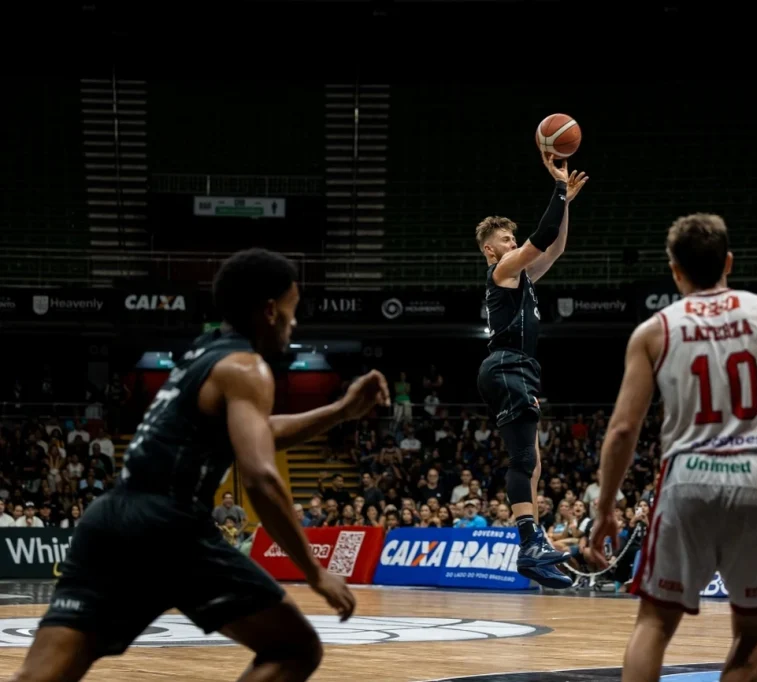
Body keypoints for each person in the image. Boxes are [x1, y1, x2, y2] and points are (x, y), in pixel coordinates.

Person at [12, 248, 390, 682]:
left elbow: (257, 430)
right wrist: (313, 570)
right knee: (294, 648)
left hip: (110, 522)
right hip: (169, 527)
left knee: (40, 677)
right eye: (292, 311)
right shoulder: (249, 368)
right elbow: (261, 476)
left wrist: (340, 411)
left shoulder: (205, 354)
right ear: (270, 311)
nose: (294, 323)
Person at [589, 213, 757, 682]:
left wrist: (605, 505)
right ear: (729, 261)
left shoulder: (653, 330)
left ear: (675, 271)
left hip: (686, 476)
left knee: (653, 624)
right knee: (750, 637)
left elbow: (623, 430)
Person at [474, 151, 587, 588]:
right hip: (507, 365)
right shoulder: (502, 269)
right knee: (523, 458)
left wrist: (568, 204)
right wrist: (557, 186)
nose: (512, 244)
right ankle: (528, 546)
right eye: (506, 238)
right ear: (492, 248)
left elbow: (555, 246)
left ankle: (533, 547)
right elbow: (540, 236)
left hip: (514, 368)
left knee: (533, 461)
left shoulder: (520, 278)